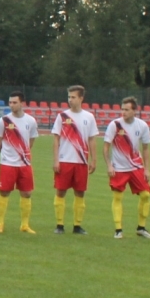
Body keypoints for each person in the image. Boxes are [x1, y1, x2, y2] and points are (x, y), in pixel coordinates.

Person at [51, 85, 99, 235]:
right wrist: (56, 160)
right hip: (64, 160)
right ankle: (59, 225)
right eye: (69, 97)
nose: (70, 100)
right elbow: (56, 139)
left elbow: (92, 139)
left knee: (80, 192)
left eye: (73, 97)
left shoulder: (89, 117)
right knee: (61, 191)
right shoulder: (62, 116)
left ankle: (77, 226)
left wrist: (94, 160)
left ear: (81, 98)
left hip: (81, 161)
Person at [105, 97, 150, 239]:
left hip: (136, 166)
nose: (123, 112)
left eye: (126, 109)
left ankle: (141, 228)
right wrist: (109, 165)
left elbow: (146, 148)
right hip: (119, 168)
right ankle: (118, 230)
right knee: (118, 197)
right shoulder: (115, 125)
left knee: (146, 195)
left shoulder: (142, 125)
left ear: (134, 111)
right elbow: (106, 147)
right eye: (122, 109)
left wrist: (147, 169)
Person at [0, 91, 39, 235]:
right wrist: (5, 155)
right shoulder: (4, 121)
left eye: (14, 102)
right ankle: (0, 224)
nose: (11, 105)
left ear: (22, 103)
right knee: (4, 192)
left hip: (24, 164)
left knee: (27, 193)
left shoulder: (31, 121)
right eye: (10, 102)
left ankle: (24, 225)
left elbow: (31, 140)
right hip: (7, 164)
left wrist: (23, 154)